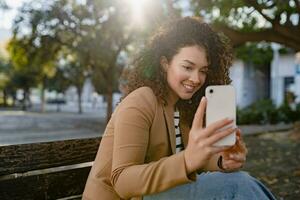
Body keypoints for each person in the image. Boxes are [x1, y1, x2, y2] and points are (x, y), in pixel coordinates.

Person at [83, 17, 276, 200]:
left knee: (236, 180)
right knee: (237, 185)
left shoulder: (185, 107)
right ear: (165, 63)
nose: (196, 79)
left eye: (203, 71)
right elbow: (123, 181)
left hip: (158, 193)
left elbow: (191, 160)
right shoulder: (140, 101)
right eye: (187, 67)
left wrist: (221, 161)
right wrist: (186, 161)